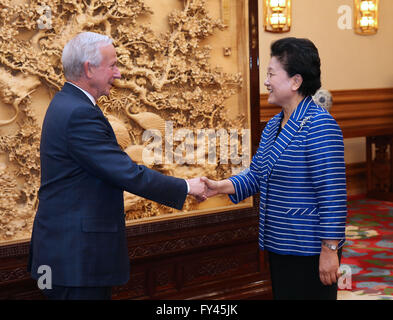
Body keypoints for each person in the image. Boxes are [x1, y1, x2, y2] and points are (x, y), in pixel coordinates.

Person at [27, 32, 207, 300]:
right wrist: (186, 186)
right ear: (89, 68)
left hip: (69, 257)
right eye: (112, 65)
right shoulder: (79, 112)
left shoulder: (66, 103)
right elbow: (126, 172)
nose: (119, 73)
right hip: (77, 261)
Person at [202, 37, 347, 300]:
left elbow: (332, 195)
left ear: (295, 81)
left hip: (309, 248)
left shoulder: (320, 125)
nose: (266, 81)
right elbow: (257, 175)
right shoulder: (273, 126)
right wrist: (219, 186)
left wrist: (330, 249)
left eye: (271, 74)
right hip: (279, 242)